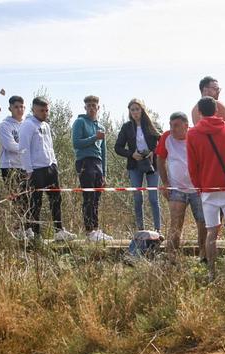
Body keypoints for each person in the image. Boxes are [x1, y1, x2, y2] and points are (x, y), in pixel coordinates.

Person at [187, 96, 225, 279]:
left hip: (208, 189)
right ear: (216, 111)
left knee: (212, 232)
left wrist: (199, 186)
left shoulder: (193, 134)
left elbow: (192, 165)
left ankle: (212, 272)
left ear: (199, 113)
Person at [19, 97, 76, 241]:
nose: (44, 113)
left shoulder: (46, 126)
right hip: (36, 170)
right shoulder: (27, 125)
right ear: (33, 109)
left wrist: (54, 163)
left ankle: (59, 230)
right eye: (41, 110)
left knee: (56, 199)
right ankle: (36, 234)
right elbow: (23, 149)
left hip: (50, 168)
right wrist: (28, 170)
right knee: (36, 202)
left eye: (46, 110)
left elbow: (50, 147)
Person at [156, 111, 207, 263]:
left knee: (202, 223)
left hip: (197, 189)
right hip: (176, 188)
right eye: (171, 125)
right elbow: (160, 159)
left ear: (186, 126)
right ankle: (172, 258)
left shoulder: (197, 136)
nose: (172, 129)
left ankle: (203, 256)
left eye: (176, 126)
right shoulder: (166, 137)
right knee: (175, 224)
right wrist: (165, 183)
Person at [115, 98, 162, 231]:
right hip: (134, 165)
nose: (135, 112)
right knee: (137, 198)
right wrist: (131, 154)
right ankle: (140, 230)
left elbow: (163, 142)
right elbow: (117, 147)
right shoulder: (127, 127)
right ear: (129, 112)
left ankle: (158, 230)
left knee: (153, 198)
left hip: (152, 164)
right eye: (132, 110)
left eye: (137, 109)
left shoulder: (153, 124)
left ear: (142, 110)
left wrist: (153, 152)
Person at [72, 95, 112, 242]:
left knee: (96, 198)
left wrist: (105, 173)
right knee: (88, 197)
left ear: (98, 107)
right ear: (85, 107)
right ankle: (89, 231)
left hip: (98, 163)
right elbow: (76, 143)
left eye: (93, 105)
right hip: (84, 161)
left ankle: (96, 229)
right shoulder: (80, 122)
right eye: (88, 105)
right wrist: (94, 138)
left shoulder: (101, 127)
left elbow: (104, 151)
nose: (91, 108)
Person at [0, 95, 30, 236]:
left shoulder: (27, 124)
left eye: (22, 107)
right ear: (10, 108)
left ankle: (27, 227)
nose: (19, 109)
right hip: (10, 166)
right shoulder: (4, 125)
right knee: (16, 199)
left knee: (28, 199)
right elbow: (10, 145)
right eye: (16, 107)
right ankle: (17, 229)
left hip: (25, 166)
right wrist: (28, 148)